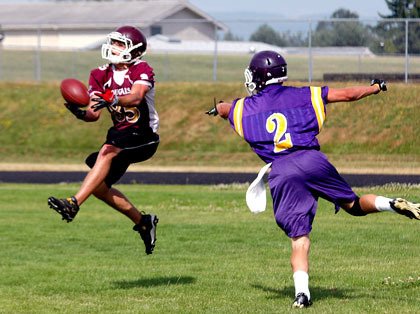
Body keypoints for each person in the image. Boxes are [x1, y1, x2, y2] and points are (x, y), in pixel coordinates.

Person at [206, 50, 420, 308]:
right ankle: (391, 203)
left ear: (259, 76)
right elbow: (347, 94)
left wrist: (218, 108)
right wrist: (374, 88)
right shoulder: (304, 94)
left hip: (283, 171)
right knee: (353, 205)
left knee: (300, 239)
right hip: (312, 161)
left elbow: (228, 109)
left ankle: (302, 294)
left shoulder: (243, 108)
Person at [48, 25, 159, 255]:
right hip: (119, 135)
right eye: (113, 42)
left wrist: (113, 97)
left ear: (134, 50)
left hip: (143, 135)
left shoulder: (142, 68)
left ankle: (73, 203)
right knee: (99, 188)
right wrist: (80, 112)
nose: (113, 47)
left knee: (107, 151)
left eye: (120, 43)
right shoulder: (99, 74)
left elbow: (137, 97)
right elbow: (94, 113)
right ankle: (144, 222)